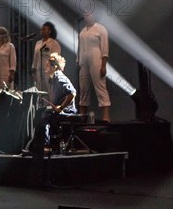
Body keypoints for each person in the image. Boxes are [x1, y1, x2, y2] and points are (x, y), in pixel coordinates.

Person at [28, 53, 77, 183]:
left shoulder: (60, 78)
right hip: (60, 109)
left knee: (44, 119)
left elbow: (72, 93)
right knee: (41, 114)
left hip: (67, 110)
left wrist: (61, 106)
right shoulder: (52, 79)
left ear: (55, 67)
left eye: (47, 65)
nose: (45, 67)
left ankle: (44, 145)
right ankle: (38, 145)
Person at [78, 12, 111, 122]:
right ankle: (82, 115)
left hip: (96, 58)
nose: (87, 17)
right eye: (86, 15)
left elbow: (105, 48)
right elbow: (80, 48)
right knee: (83, 87)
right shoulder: (83, 31)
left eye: (90, 14)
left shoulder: (101, 29)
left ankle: (106, 116)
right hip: (84, 61)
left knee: (100, 86)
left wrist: (103, 65)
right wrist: (79, 61)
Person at [31, 21, 62, 99]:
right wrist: (33, 69)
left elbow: (56, 57)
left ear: (49, 31)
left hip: (49, 71)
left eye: (44, 29)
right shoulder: (38, 43)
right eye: (41, 29)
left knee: (49, 90)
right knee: (39, 90)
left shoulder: (54, 43)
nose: (42, 31)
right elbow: (35, 57)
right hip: (38, 70)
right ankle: (41, 108)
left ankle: (51, 108)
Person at [0, 26, 16, 98]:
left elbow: (13, 60)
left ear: (3, 35)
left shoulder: (10, 46)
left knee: (6, 94)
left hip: (6, 73)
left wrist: (12, 73)